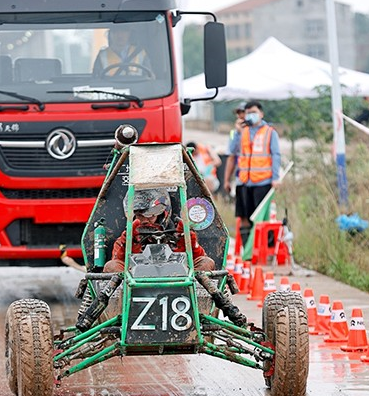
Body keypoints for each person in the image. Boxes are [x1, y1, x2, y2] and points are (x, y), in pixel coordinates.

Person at [103, 188, 214, 272]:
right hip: (134, 286)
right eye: (140, 216)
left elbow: (201, 259)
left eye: (151, 215)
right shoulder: (125, 238)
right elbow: (116, 262)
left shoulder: (179, 234)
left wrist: (189, 244)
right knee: (111, 266)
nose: (145, 220)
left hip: (178, 281)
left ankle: (201, 300)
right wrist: (128, 244)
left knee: (206, 262)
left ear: (161, 215)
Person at [223, 100, 281, 248]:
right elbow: (231, 152)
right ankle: (248, 251)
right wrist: (237, 132)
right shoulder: (240, 131)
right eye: (247, 113)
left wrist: (275, 178)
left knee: (261, 218)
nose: (250, 115)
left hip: (262, 182)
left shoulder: (269, 132)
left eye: (253, 112)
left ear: (261, 113)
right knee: (244, 216)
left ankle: (264, 249)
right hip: (244, 181)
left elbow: (276, 155)